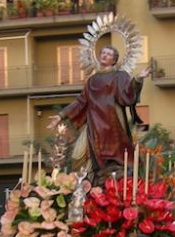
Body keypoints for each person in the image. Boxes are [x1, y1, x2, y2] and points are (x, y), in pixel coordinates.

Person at [47, 45, 151, 177]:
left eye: (109, 54)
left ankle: (114, 178)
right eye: (103, 52)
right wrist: (61, 115)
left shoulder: (120, 75)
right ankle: (84, 182)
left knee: (117, 155)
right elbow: (80, 102)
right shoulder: (92, 80)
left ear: (114, 60)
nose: (104, 55)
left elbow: (127, 93)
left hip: (113, 121)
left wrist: (138, 79)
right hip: (94, 122)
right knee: (78, 155)